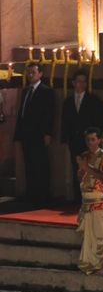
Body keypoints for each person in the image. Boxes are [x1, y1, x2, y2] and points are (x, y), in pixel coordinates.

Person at [61, 69, 103, 203]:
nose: (81, 84)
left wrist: (95, 138)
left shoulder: (92, 100)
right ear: (74, 83)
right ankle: (76, 197)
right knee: (76, 168)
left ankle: (90, 196)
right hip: (74, 139)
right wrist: (64, 138)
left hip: (88, 141)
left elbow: (98, 120)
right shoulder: (68, 101)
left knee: (90, 167)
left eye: (84, 81)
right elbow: (64, 121)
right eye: (79, 81)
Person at [14, 62, 55, 204]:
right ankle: (31, 193)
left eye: (33, 72)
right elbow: (22, 112)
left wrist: (47, 133)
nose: (30, 75)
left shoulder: (46, 91)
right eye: (29, 72)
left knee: (40, 164)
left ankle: (42, 194)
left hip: (39, 134)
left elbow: (49, 114)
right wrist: (18, 133)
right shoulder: (26, 91)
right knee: (29, 164)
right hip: (26, 134)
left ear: (40, 74)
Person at [77, 127, 103, 275]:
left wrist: (87, 168)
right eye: (88, 140)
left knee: (100, 235)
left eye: (93, 139)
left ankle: (100, 265)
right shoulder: (84, 156)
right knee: (88, 236)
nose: (90, 143)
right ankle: (89, 263)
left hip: (98, 200)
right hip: (86, 200)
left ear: (99, 140)